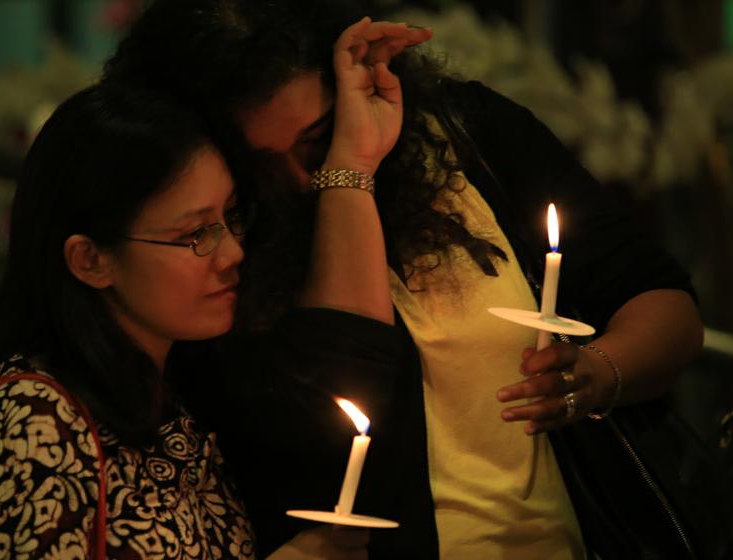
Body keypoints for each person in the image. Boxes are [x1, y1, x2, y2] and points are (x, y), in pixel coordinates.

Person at [104, 1, 716, 558]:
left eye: (318, 140)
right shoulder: (208, 258)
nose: (297, 180)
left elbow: (663, 301)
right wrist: (348, 170)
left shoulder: (470, 138)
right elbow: (336, 397)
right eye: (256, 163)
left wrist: (601, 371)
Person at [0, 82, 367, 559]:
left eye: (231, 216)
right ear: (91, 260)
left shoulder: (167, 400)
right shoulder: (34, 422)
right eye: (196, 233)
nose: (234, 253)